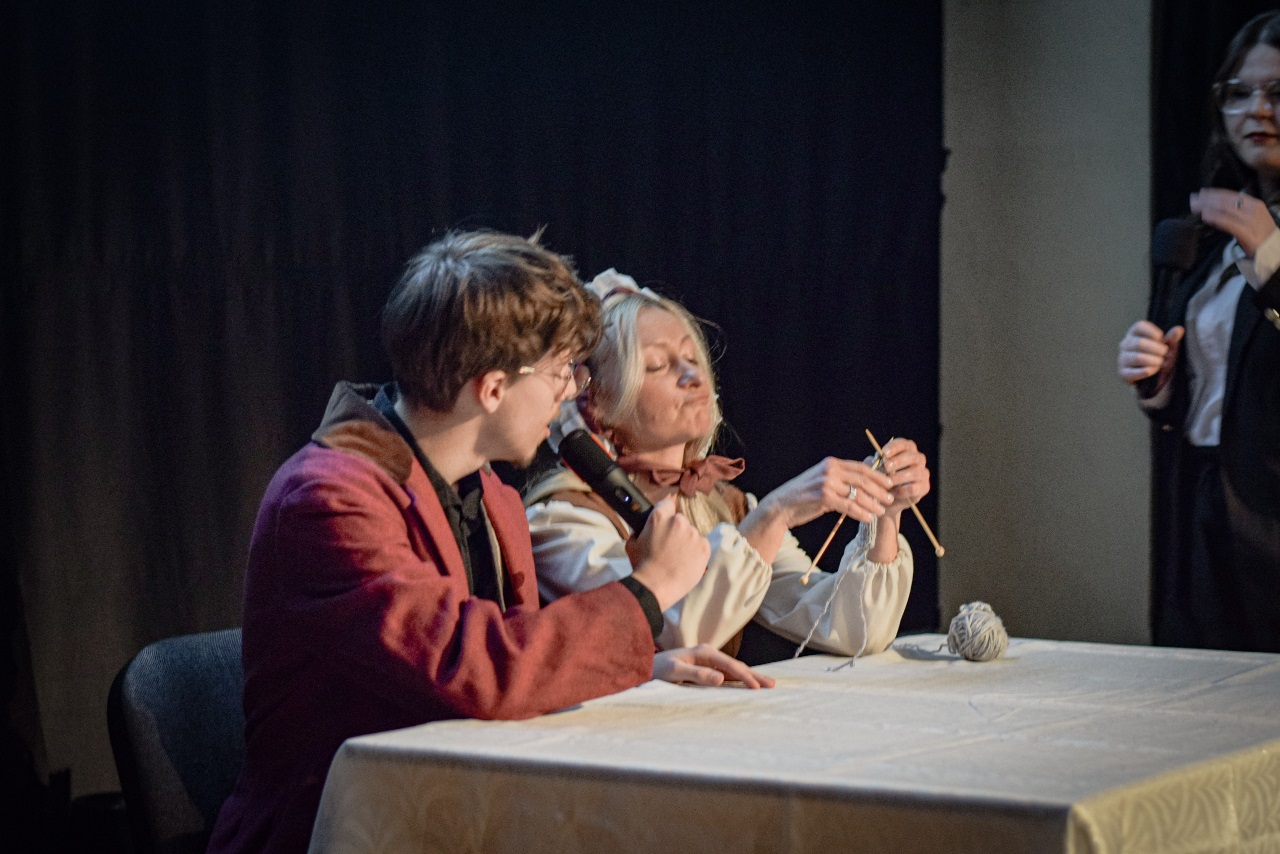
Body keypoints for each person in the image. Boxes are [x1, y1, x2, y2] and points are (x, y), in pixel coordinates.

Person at [209, 232, 771, 854]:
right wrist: (649, 589)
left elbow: (515, 660)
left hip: (455, 812)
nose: (571, 392)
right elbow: (476, 669)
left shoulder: (493, 498)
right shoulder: (328, 499)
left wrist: (643, 669)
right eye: (561, 371)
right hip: (344, 829)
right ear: (494, 387)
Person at [525, 270, 931, 662]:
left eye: (691, 357)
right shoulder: (565, 519)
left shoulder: (725, 506)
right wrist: (776, 513)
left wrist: (884, 515)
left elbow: (849, 629)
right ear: (594, 404)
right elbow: (665, 633)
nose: (692, 375)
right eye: (657, 365)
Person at [1117, 11, 1280, 653]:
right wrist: (1159, 381)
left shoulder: (1257, 238)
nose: (1257, 110)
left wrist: (1272, 259)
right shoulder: (1216, 235)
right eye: (1239, 93)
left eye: (1278, 92)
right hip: (1206, 510)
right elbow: (1221, 394)